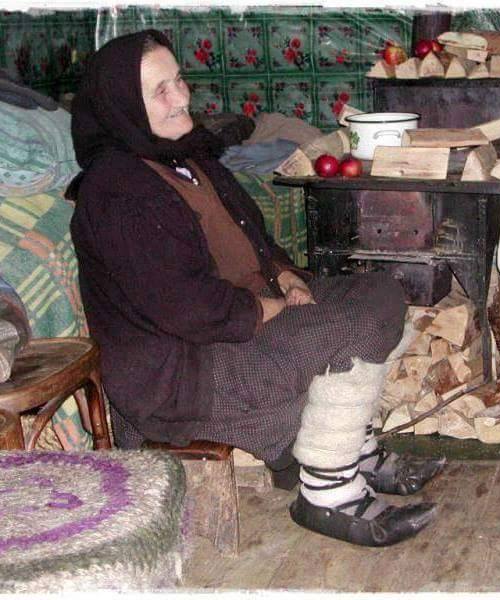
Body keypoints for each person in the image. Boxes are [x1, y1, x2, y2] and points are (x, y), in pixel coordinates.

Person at [68, 29, 445, 547]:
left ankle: (353, 451)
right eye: (160, 91)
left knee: (379, 291)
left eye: (179, 80)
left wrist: (284, 275)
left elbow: (253, 239)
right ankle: (329, 492)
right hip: (183, 373)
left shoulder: (185, 158)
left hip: (234, 323)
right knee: (348, 326)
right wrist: (273, 306)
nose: (181, 97)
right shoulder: (118, 191)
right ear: (123, 107)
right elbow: (188, 309)